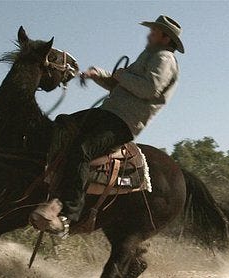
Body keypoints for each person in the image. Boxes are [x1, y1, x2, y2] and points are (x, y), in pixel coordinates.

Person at [30, 15, 184, 235]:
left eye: (154, 31)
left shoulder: (165, 58)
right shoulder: (149, 55)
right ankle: (50, 183)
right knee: (63, 123)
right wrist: (96, 75)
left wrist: (121, 77)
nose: (149, 34)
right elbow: (118, 85)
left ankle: (67, 213)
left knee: (83, 149)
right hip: (108, 112)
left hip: (124, 121)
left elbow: (150, 89)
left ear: (165, 38)